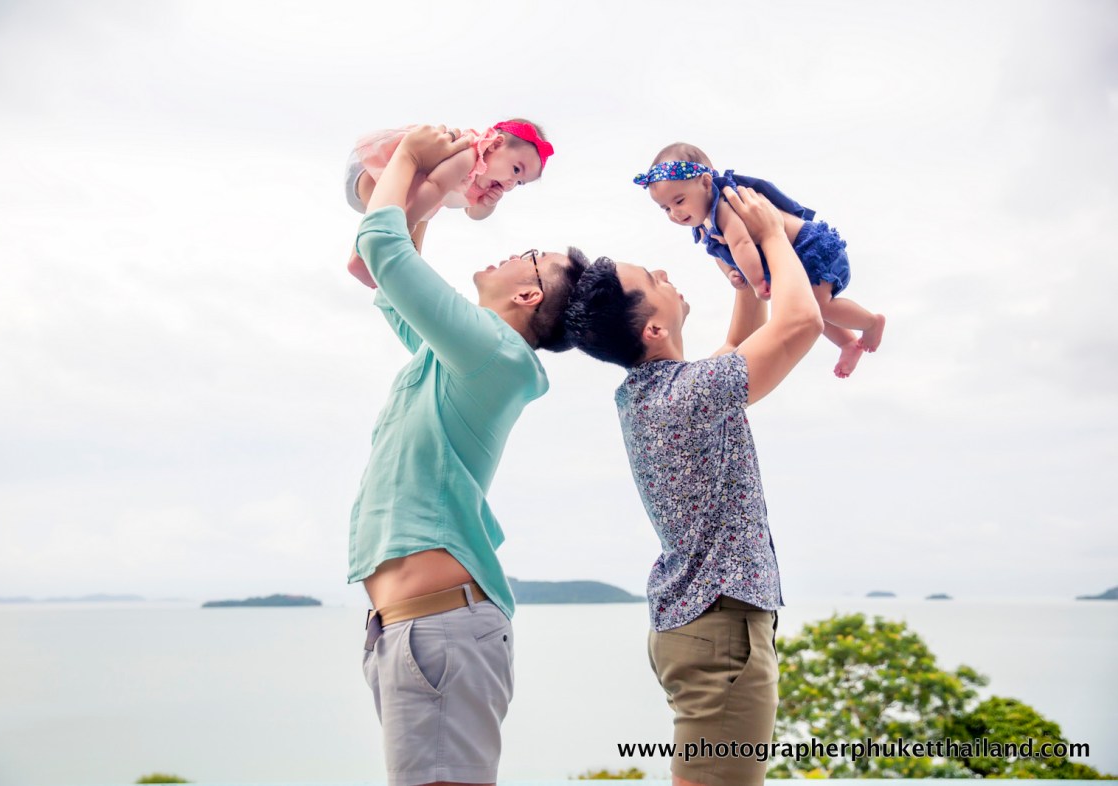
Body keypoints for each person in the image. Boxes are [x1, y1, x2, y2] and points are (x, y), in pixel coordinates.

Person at [350, 124, 586, 786]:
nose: (514, 249)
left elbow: (380, 248)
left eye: (531, 257)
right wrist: (426, 196)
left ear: (529, 296)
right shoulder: (462, 353)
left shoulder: (495, 354)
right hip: (416, 631)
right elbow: (381, 278)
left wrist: (409, 156)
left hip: (440, 631)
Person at [565, 186, 824, 786]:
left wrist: (744, 285)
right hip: (720, 632)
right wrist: (772, 236)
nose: (662, 271)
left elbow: (735, 352)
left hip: (700, 627)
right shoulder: (688, 396)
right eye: (649, 278)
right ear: (654, 328)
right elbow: (802, 322)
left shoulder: (649, 394)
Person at [634, 142, 885, 378]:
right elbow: (718, 253)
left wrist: (756, 281)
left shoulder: (724, 207)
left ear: (706, 183)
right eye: (666, 209)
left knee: (818, 306)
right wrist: (730, 273)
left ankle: (871, 323)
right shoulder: (703, 224)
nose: (675, 213)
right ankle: (848, 343)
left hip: (811, 249)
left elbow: (741, 244)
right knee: (813, 307)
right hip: (793, 258)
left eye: (679, 201)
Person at [345, 119, 554, 288]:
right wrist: (406, 224)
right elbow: (435, 185)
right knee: (391, 216)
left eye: (519, 183)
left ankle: (393, 272)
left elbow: (472, 213)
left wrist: (487, 205)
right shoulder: (468, 156)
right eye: (516, 170)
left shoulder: (488, 181)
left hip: (415, 194)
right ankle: (361, 255)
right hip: (375, 168)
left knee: (410, 246)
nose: (511, 183)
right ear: (496, 144)